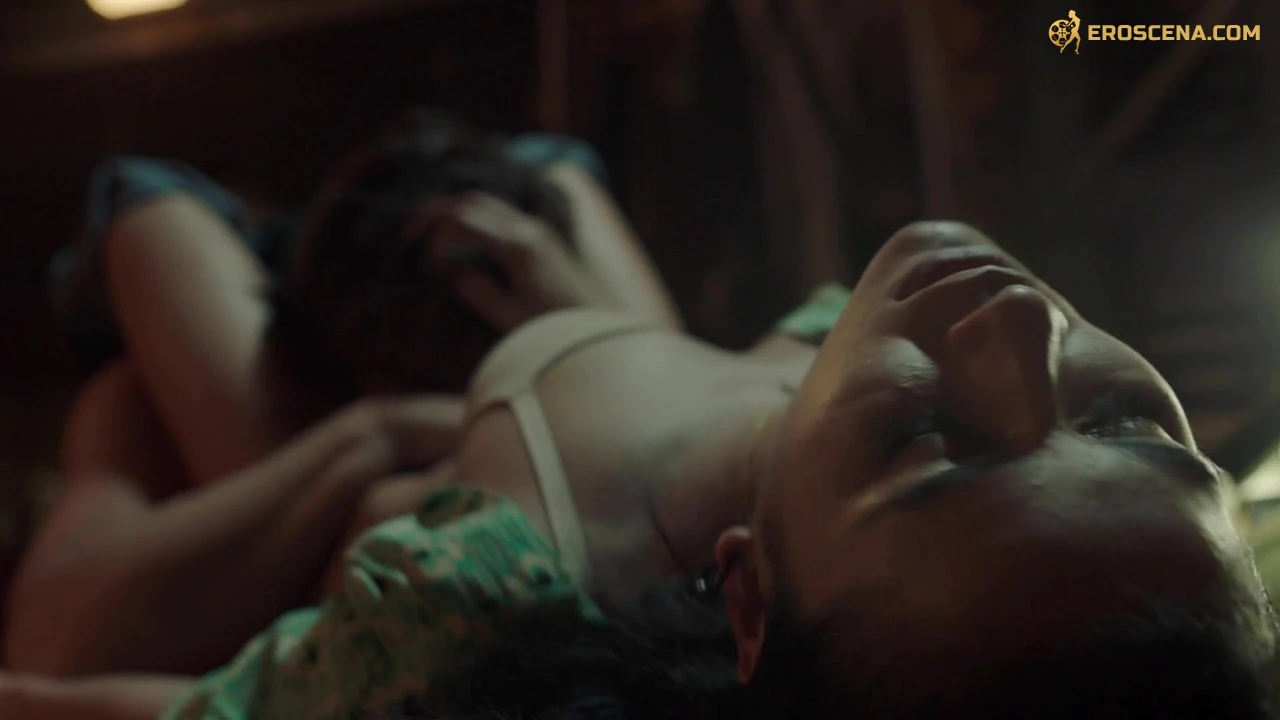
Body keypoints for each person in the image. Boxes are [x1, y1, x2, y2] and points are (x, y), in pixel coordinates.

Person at [7, 217, 1278, 719]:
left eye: (924, 443)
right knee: (544, 178)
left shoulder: (478, 602)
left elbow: (85, 688)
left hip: (158, 571)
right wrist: (587, 317)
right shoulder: (864, 348)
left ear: (745, 596)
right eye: (1128, 428)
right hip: (467, 360)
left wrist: (373, 439)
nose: (1018, 329)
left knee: (139, 235)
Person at [3, 111, 681, 676]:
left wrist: (380, 433)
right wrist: (389, 428)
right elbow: (44, 650)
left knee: (147, 203)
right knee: (146, 208)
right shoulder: (141, 404)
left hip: (359, 380)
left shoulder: (403, 493)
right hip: (331, 331)